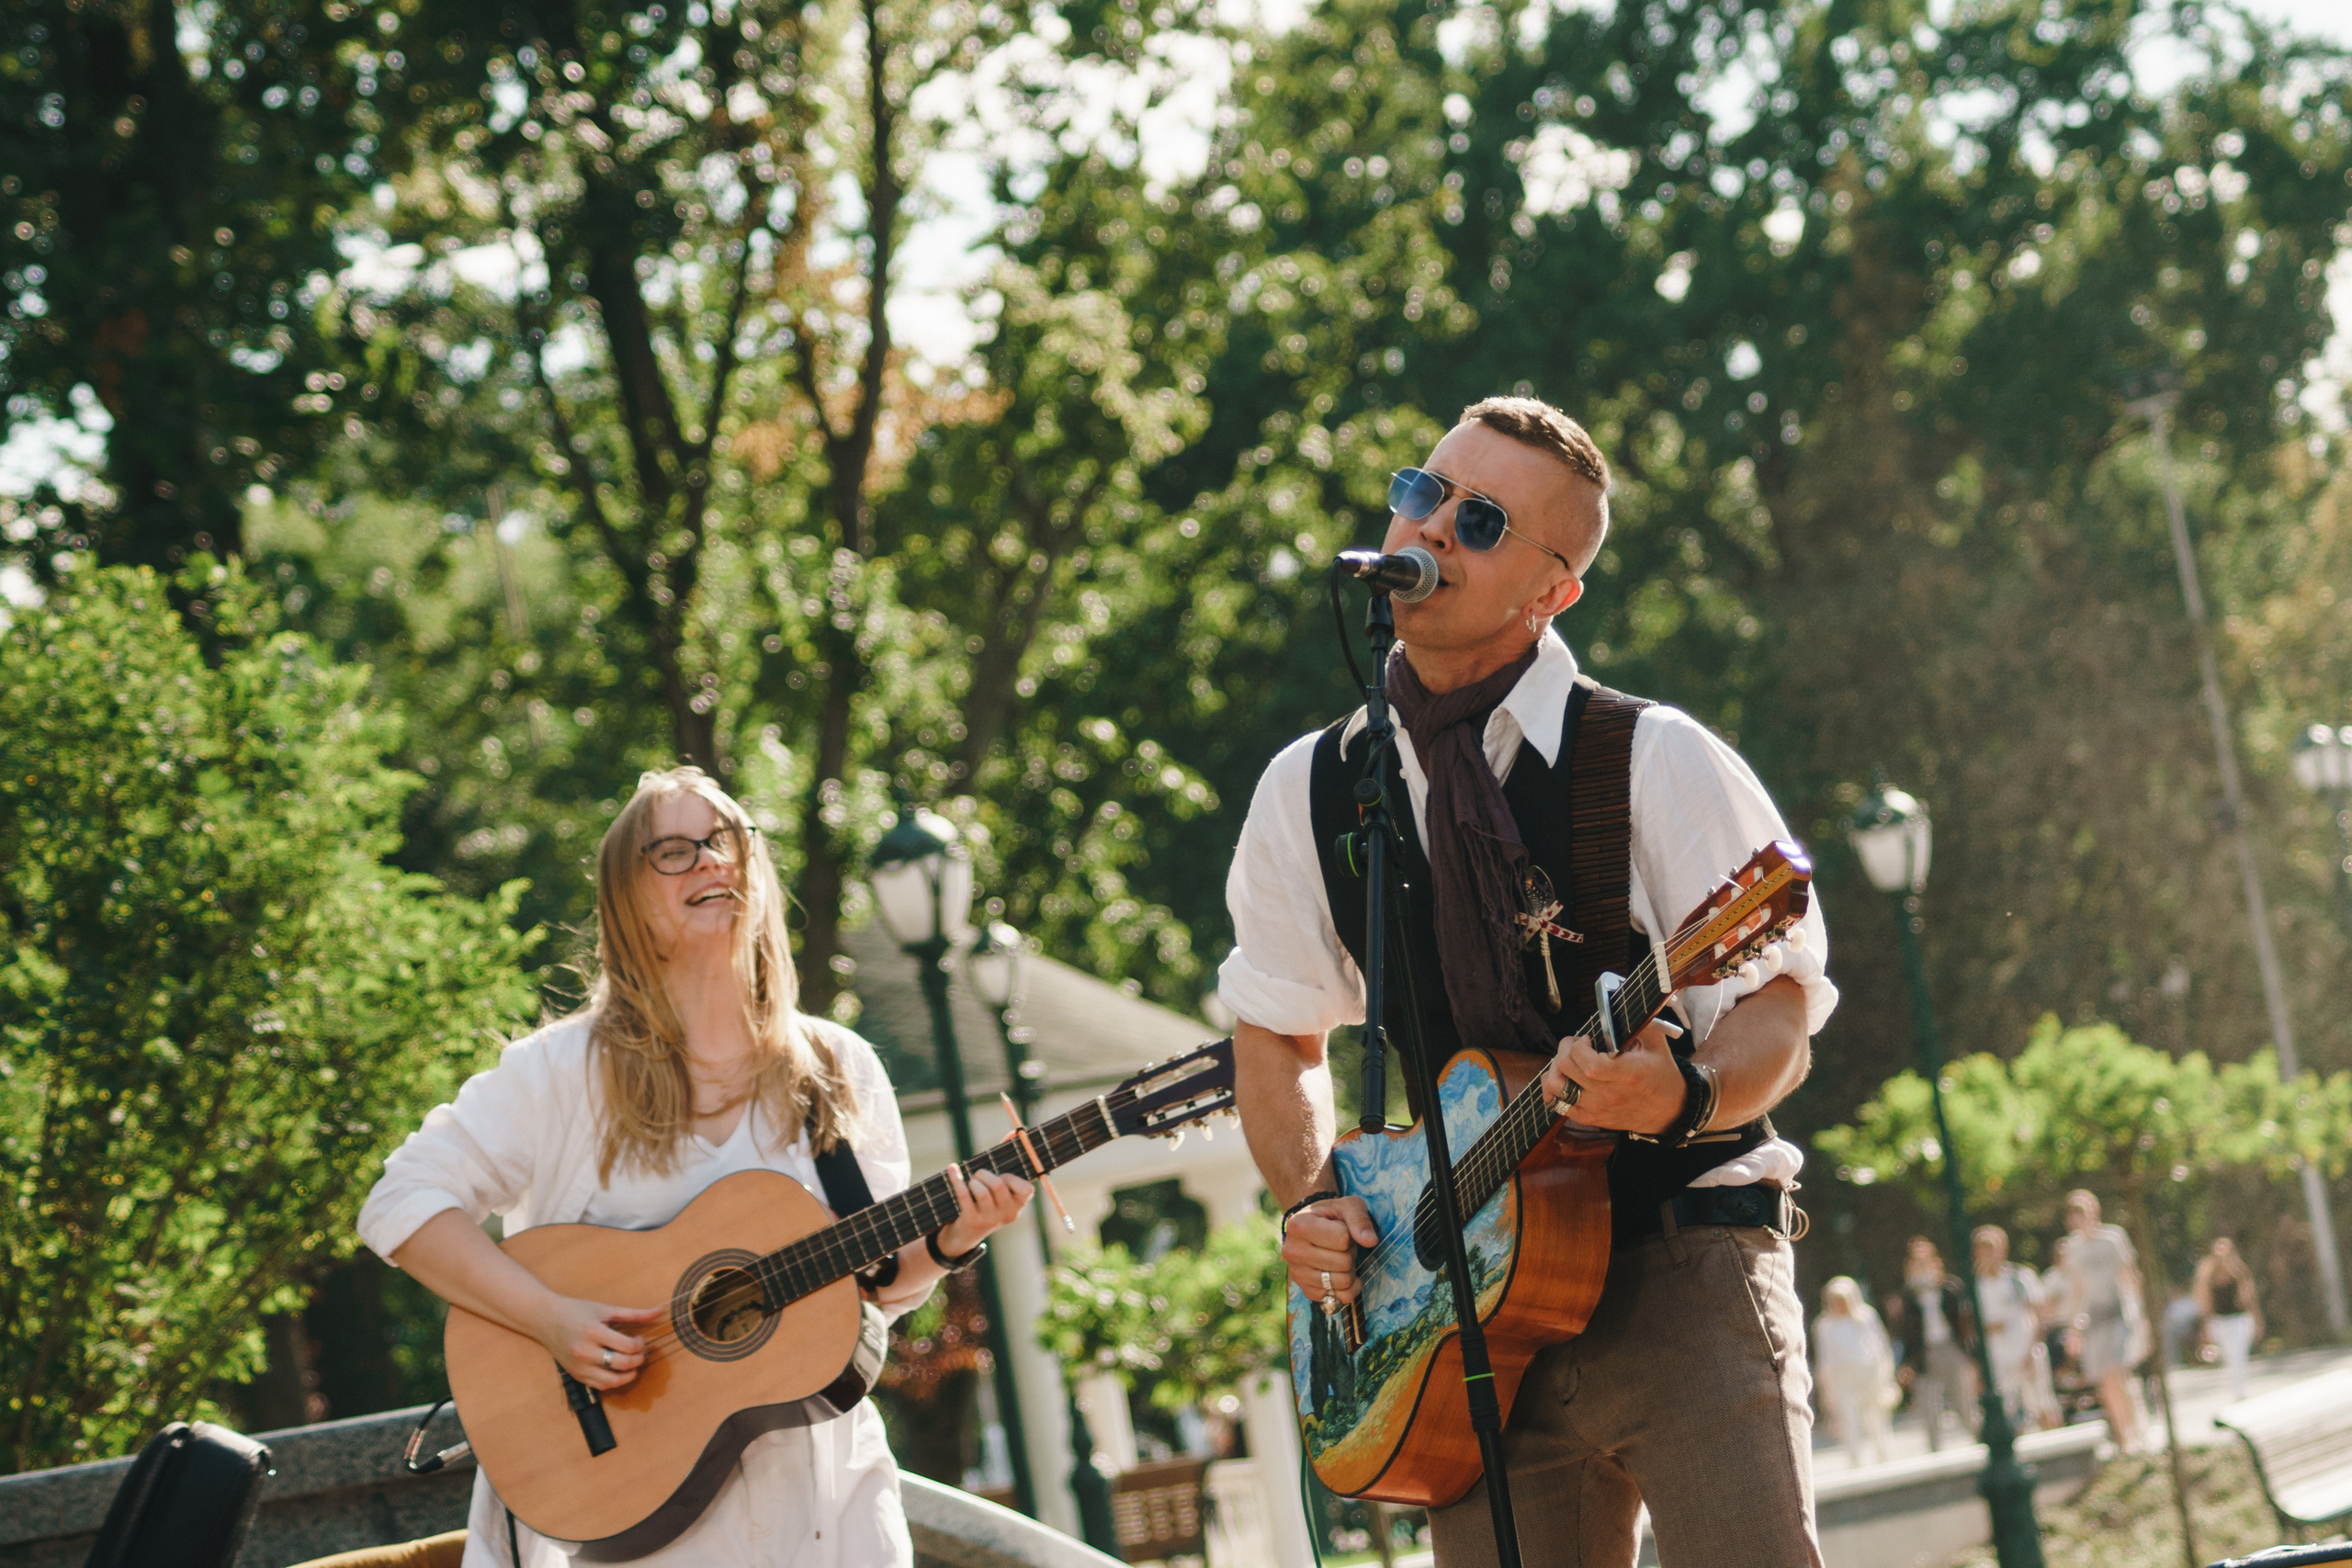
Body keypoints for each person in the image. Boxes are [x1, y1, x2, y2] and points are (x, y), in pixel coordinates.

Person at [1221, 396, 1838, 1567]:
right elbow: (1273, 1036)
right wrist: (1310, 1199)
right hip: (1460, 1329)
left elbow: (1780, 1005)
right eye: (1425, 492)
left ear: (1552, 592)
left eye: (1484, 519)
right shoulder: (1310, 790)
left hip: (1682, 1267)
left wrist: (1686, 1095)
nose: (1434, 528)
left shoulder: (1652, 755)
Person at [356, 767, 1034, 1567]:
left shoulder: (834, 1066)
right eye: (674, 851)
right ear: (627, 897)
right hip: (636, 1528)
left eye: (727, 841)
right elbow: (400, 1202)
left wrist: (953, 1239)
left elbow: (872, 1284)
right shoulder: (558, 1074)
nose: (712, 861)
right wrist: (550, 1318)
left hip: (826, 1522)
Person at [2054, 1189, 2148, 1453]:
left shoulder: (2113, 1238)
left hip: (2118, 1313)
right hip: (2093, 1321)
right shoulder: (2072, 1248)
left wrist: (2141, 1316)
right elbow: (2077, 1288)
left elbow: (2129, 1274)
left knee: (2118, 1373)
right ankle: (2123, 1437)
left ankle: (2138, 1432)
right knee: (2105, 1382)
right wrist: (2074, 1327)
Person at [1885, 1237, 1977, 1450]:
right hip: (1923, 1355)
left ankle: (1978, 1442)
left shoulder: (1950, 1289)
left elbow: (1965, 1323)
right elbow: (1904, 1332)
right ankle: (1936, 1452)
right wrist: (1906, 1364)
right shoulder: (1908, 1297)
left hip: (1950, 1348)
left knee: (1963, 1402)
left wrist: (1970, 1355)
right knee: (1929, 1407)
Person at [1972, 1225, 2061, 1431]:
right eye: (1981, 1250)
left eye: (1991, 1249)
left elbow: (2039, 1315)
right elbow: (1970, 1325)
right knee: (2009, 1409)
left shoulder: (2020, 1278)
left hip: (2028, 1351)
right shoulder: (1975, 1286)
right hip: (1998, 1358)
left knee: (2043, 1403)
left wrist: (2033, 1348)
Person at [1812, 1279, 1897, 1469]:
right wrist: (1826, 1387)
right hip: (1843, 1377)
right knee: (1848, 1417)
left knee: (1876, 1414)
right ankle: (1855, 1458)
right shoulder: (1824, 1325)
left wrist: (1886, 1373)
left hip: (1869, 1372)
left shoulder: (1865, 1316)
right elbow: (1825, 1357)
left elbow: (1880, 1344)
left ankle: (1883, 1452)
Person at [2194, 1236, 2264, 1403]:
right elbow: (2206, 1305)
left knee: (2238, 1354)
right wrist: (2205, 1328)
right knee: (2229, 1356)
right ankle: (2236, 1388)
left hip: (2239, 1320)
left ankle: (2241, 1391)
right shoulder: (2209, 1278)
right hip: (2220, 1322)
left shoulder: (2239, 1274)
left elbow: (2249, 1300)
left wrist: (2258, 1321)